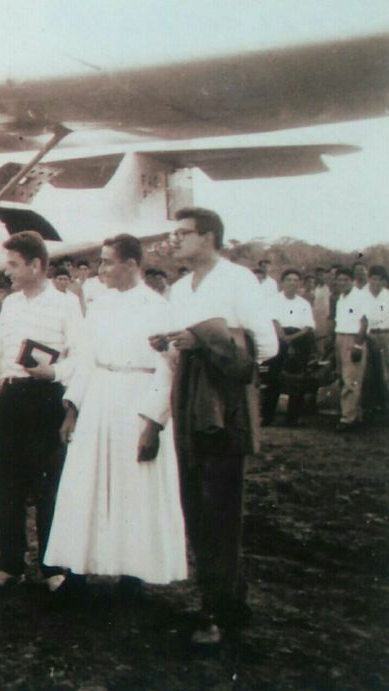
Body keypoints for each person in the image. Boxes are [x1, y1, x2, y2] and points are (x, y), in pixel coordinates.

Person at [151, 207, 277, 645]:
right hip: (188, 398)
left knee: (220, 505)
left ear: (208, 238)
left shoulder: (238, 279)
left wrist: (207, 340)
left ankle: (218, 613)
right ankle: (222, 600)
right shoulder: (181, 287)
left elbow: (267, 345)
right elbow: (176, 345)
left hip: (224, 402)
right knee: (195, 504)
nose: (175, 242)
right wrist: (170, 343)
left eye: (183, 234)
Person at [45, 234, 186, 597]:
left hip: (136, 401)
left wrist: (153, 423)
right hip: (99, 399)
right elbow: (86, 359)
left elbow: (167, 370)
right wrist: (72, 409)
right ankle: (78, 570)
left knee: (133, 487)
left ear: (132, 265)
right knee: (84, 484)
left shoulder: (159, 308)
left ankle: (132, 574)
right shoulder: (100, 304)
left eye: (108, 262)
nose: (101, 269)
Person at [0, 231, 78, 590]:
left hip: (46, 399)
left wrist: (55, 373)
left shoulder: (66, 304)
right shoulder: (10, 304)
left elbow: (78, 354)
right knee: (6, 483)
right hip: (10, 399)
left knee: (46, 485)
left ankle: (52, 567)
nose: (6, 271)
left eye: (13, 264)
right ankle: (11, 564)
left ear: (36, 265)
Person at [260, 269, 315, 426]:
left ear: (299, 284)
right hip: (278, 339)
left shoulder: (303, 303)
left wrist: (292, 340)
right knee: (273, 378)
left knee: (297, 380)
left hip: (299, 340)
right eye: (289, 279)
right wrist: (284, 339)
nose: (292, 283)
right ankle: (267, 416)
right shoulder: (273, 301)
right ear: (282, 282)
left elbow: (307, 327)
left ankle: (292, 419)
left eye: (296, 280)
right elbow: (273, 321)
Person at [332, 266, 372, 431]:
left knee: (351, 379)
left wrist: (357, 344)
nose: (342, 283)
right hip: (340, 337)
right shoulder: (341, 297)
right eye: (339, 280)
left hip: (353, 338)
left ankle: (348, 418)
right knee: (343, 377)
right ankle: (354, 414)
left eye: (346, 280)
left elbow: (364, 322)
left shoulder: (361, 296)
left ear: (352, 281)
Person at [365, 266, 389, 413]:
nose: (377, 282)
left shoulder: (387, 295)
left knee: (385, 371)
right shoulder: (361, 295)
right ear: (369, 279)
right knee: (368, 372)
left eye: (380, 280)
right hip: (367, 335)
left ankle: (385, 405)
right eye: (374, 278)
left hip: (386, 335)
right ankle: (370, 405)